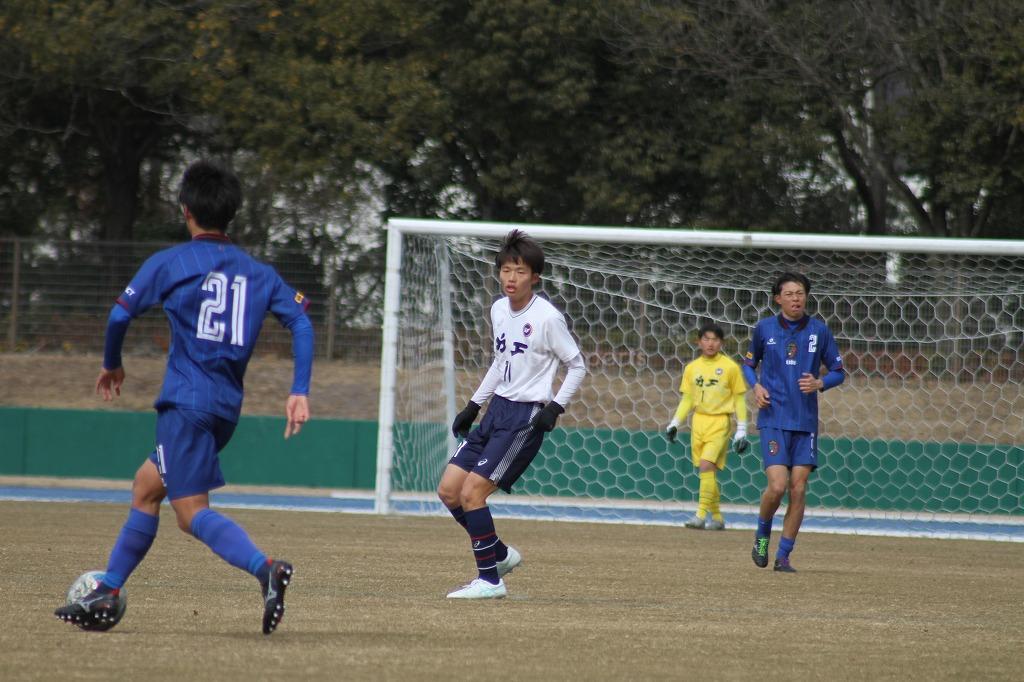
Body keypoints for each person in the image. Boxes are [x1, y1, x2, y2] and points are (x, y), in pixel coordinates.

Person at [54, 160, 313, 633]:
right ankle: (108, 590)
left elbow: (119, 316)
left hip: (185, 404)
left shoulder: (171, 262)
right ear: (231, 212)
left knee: (191, 514)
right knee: (146, 487)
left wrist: (112, 363)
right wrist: (299, 390)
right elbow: (300, 320)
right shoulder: (259, 273)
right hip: (224, 410)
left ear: (185, 210)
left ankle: (265, 568)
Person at [436, 229, 586, 599]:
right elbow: (500, 362)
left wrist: (555, 407)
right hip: (495, 410)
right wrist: (473, 405)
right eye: (506, 270)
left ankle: (490, 581)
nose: (511, 277)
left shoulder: (548, 318)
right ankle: (500, 554)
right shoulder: (499, 310)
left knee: (473, 493)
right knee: (449, 491)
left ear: (535, 277)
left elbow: (577, 365)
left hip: (524, 418)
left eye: (519, 271)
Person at [742, 272, 843, 572]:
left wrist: (820, 383)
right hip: (773, 418)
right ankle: (762, 536)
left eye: (800, 293)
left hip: (805, 422)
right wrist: (756, 387)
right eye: (789, 294)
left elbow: (838, 371)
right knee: (777, 486)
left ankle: (784, 555)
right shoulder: (764, 328)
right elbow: (748, 365)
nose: (796, 299)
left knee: (798, 488)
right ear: (778, 298)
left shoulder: (819, 331)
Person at [665, 322, 748, 530]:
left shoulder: (730, 367)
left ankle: (700, 516)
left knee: (706, 465)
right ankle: (717, 518)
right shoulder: (692, 368)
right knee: (707, 471)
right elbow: (687, 399)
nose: (711, 343)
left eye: (715, 340)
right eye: (706, 339)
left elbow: (739, 399)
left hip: (720, 422)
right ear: (699, 342)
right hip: (698, 422)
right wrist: (675, 422)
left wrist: (742, 429)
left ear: (722, 343)